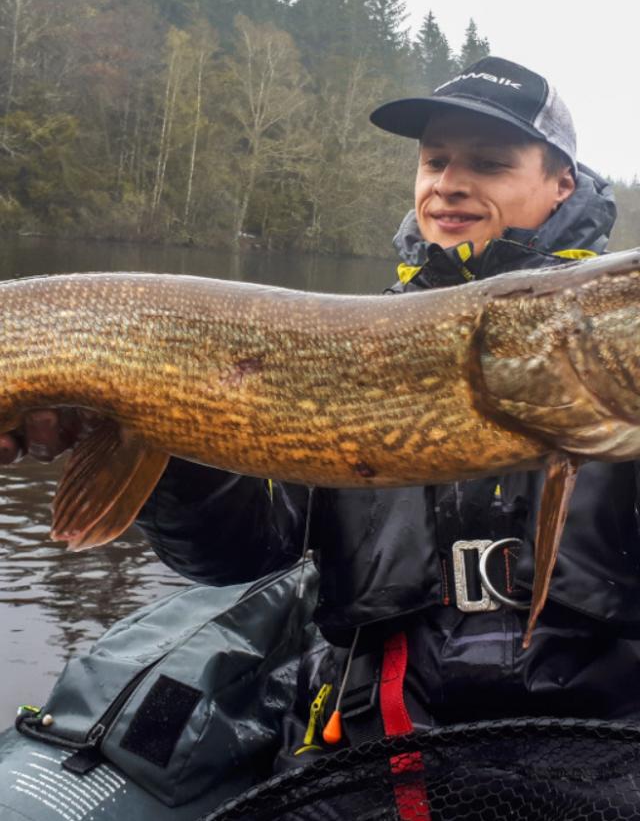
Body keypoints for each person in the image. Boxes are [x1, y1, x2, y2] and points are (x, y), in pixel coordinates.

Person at [2, 57, 638, 815]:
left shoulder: (586, 346)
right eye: (435, 160)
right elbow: (245, 553)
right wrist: (158, 431)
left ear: (562, 182)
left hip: (592, 749)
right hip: (371, 757)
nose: (450, 183)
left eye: (492, 164)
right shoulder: (354, 332)